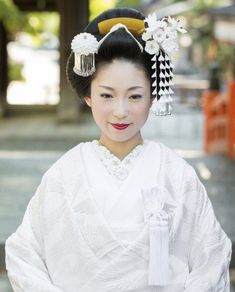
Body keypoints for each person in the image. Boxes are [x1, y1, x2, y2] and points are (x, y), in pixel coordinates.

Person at [5, 7, 232, 292]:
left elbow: (211, 255)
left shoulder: (177, 174)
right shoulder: (65, 173)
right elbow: (25, 251)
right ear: (88, 95)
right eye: (107, 95)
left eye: (135, 96)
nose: (120, 111)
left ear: (153, 95)